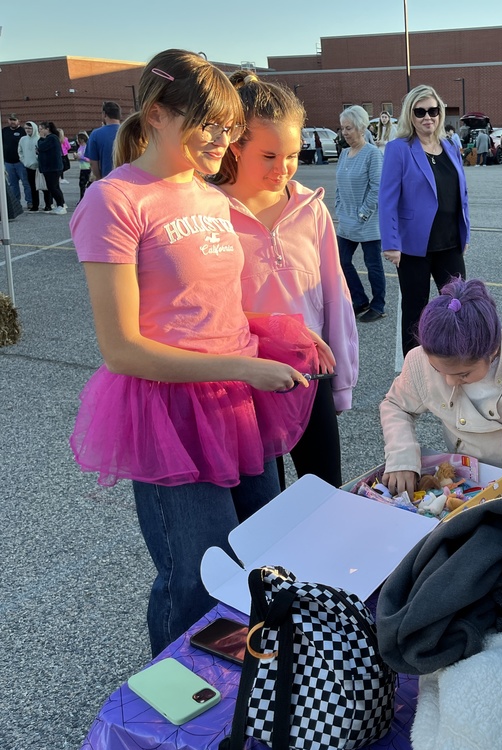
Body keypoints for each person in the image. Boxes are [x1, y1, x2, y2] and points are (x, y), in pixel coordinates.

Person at [68, 50, 324, 656]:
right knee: (195, 579)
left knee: (256, 557)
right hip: (170, 414)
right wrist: (243, 366)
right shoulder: (116, 200)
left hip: (235, 406)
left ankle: (237, 685)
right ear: (156, 115)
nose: (223, 140)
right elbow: (123, 348)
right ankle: (172, 707)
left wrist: (280, 330)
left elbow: (210, 309)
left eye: (229, 126)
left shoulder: (211, 199)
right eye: (208, 124)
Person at [212, 71, 359, 489]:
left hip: (309, 377)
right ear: (236, 146)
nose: (284, 168)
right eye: (269, 156)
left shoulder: (311, 210)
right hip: (247, 381)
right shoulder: (209, 213)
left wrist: (341, 380)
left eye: (292, 155)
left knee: (325, 493)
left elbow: (336, 296)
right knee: (265, 504)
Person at [380, 278, 502, 503]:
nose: (449, 382)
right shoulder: (418, 362)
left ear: (493, 350)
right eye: (437, 369)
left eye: (463, 374)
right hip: (465, 486)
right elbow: (396, 405)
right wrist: (402, 457)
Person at [380, 85, 470, 356]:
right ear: (411, 115)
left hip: (450, 242)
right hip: (412, 247)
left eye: (433, 110)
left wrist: (464, 232)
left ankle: (453, 357)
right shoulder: (399, 149)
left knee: (457, 304)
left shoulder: (451, 146)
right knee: (415, 309)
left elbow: (460, 193)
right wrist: (391, 243)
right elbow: (387, 199)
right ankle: (413, 366)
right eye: (420, 112)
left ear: (440, 113)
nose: (427, 117)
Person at [336, 105, 387, 323]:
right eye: (342, 128)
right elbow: (339, 183)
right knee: (341, 261)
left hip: (367, 222)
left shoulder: (372, 154)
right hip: (346, 220)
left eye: (349, 128)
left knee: (372, 264)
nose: (345, 133)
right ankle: (359, 299)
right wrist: (339, 206)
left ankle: (378, 305)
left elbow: (377, 187)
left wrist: (363, 213)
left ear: (361, 128)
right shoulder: (344, 153)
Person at [36, 122, 67, 214]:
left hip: (52, 167)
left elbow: (41, 146)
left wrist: (41, 138)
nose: (39, 131)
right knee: (55, 186)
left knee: (52, 187)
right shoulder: (50, 139)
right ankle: (61, 203)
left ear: (47, 129)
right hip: (50, 167)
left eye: (41, 129)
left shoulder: (51, 138)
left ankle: (61, 205)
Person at [86, 101, 121, 181]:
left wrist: (99, 179)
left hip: (108, 180)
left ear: (104, 114)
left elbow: (93, 162)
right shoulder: (129, 131)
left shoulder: (95, 134)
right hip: (129, 181)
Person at [3, 114, 29, 206]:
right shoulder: (4, 131)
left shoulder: (23, 131)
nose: (12, 122)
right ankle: (16, 203)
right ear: (8, 120)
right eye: (11, 120)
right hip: (8, 163)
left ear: (19, 121)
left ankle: (30, 202)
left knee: (26, 183)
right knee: (13, 184)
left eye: (14, 120)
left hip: (20, 162)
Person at [18, 121, 42, 212]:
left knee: (43, 186)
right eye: (26, 128)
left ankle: (48, 204)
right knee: (32, 187)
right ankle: (35, 205)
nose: (28, 130)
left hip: (39, 166)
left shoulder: (39, 139)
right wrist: (24, 161)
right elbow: (20, 151)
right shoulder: (23, 139)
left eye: (30, 128)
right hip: (28, 166)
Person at [72, 131, 90, 202]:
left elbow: (89, 159)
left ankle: (84, 199)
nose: (77, 140)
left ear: (82, 139)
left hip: (87, 168)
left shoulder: (86, 148)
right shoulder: (80, 148)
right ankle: (82, 198)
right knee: (81, 184)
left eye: (78, 139)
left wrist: (81, 157)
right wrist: (76, 157)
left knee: (85, 184)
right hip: (82, 168)